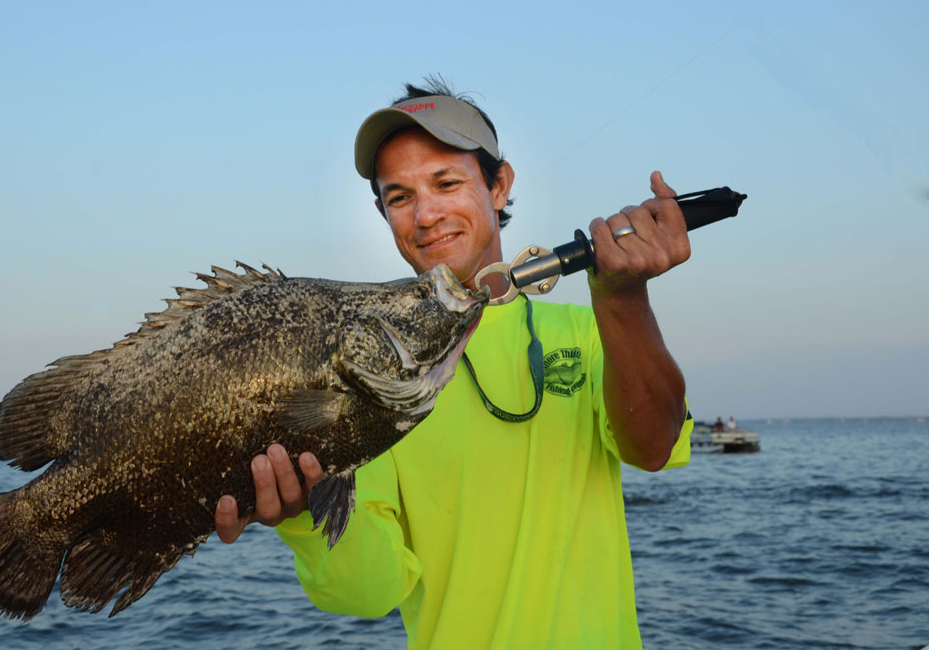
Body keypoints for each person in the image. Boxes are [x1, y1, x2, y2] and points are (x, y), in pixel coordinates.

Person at [214, 79, 695, 648]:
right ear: (383, 212)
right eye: (399, 196)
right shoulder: (363, 373)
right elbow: (371, 592)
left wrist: (622, 298)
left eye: (446, 182)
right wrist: (301, 517)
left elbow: (654, 447)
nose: (425, 214)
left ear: (499, 185)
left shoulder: (591, 331)